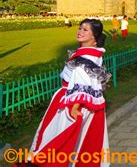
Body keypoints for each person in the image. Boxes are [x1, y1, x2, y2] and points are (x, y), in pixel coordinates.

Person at [28, 19, 110, 166]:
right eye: (80, 28)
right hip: (79, 101)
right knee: (80, 143)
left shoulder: (85, 58)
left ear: (94, 36)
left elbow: (82, 83)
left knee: (57, 139)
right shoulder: (92, 54)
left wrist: (74, 108)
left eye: (85, 30)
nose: (80, 31)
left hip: (71, 103)